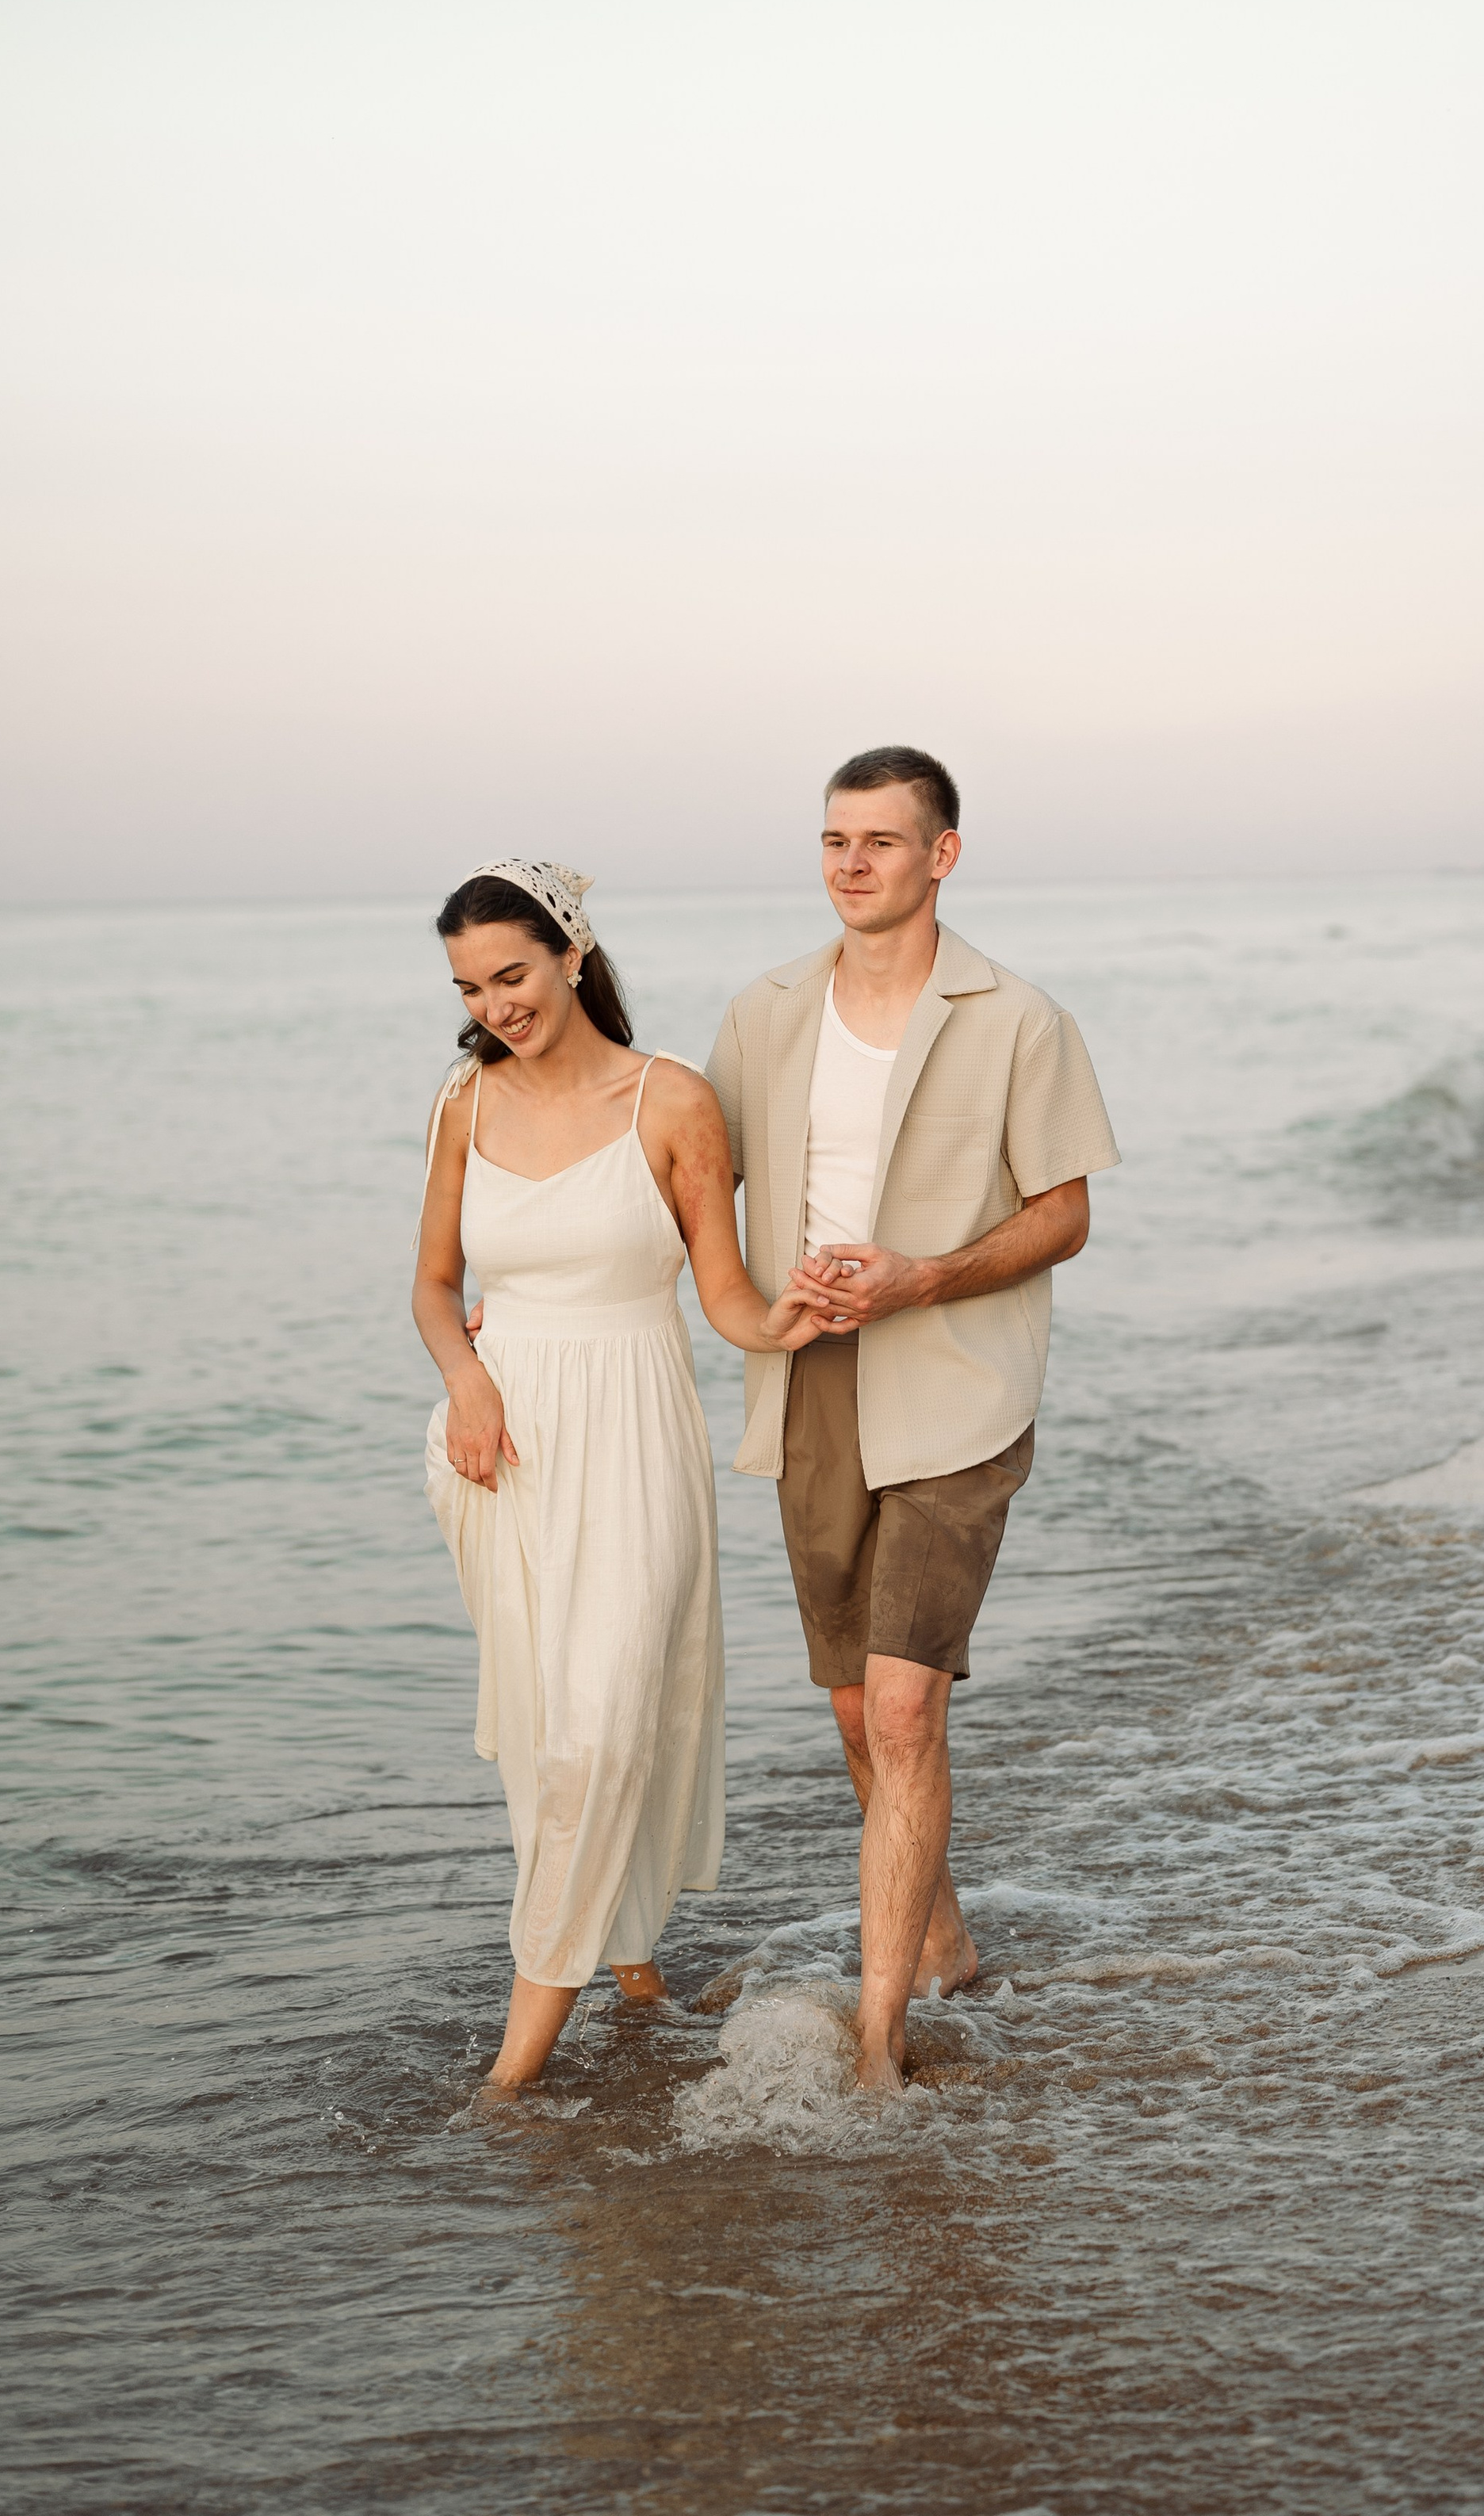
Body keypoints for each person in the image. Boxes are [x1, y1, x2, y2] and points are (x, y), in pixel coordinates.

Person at [706, 747, 1119, 2091]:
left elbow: (1065, 1211)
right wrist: (513, 1304)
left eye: (882, 841)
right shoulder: (765, 1011)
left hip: (955, 1387)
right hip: (809, 1383)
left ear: (943, 854)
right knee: (847, 1708)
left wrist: (923, 1276)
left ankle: (884, 2045)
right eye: (835, 840)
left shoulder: (1015, 1017)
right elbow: (681, 1176)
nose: (851, 864)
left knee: (901, 1714)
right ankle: (941, 1939)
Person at [411, 860, 831, 2093]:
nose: (496, 1004)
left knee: (605, 1727)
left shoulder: (673, 1104)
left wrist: (798, 1317)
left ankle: (511, 2075)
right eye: (471, 986)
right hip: (499, 1450)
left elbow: (728, 1300)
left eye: (513, 973)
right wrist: (468, 1386)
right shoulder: (463, 1104)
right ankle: (632, 1966)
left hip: (637, 1439)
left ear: (573, 955)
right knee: (555, 1740)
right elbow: (436, 1288)